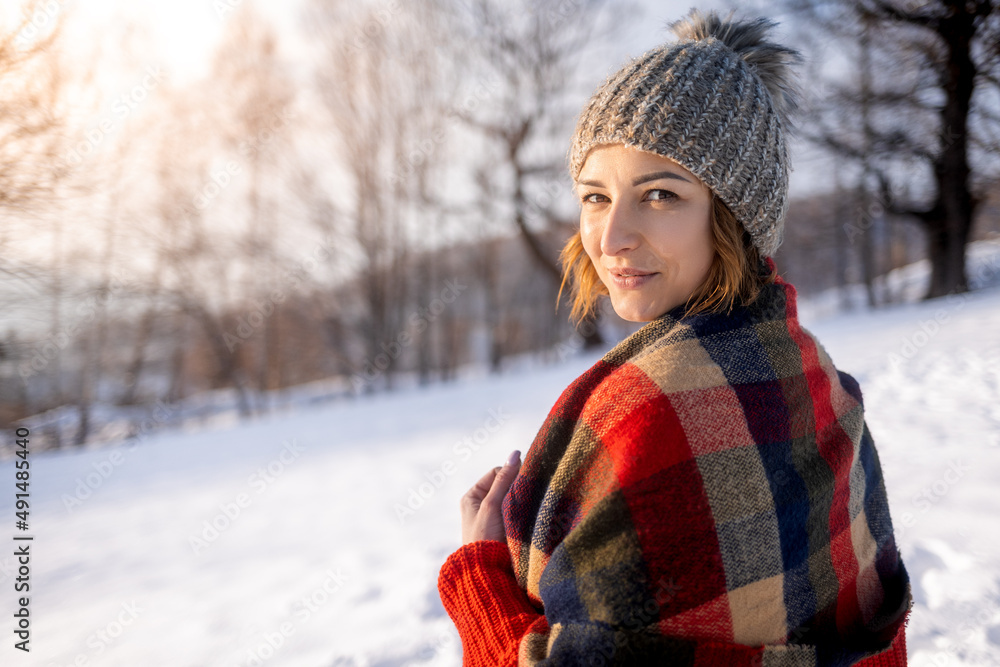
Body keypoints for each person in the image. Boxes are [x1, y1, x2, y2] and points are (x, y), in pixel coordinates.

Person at [438, 8, 913, 666]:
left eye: (659, 194)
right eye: (595, 196)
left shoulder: (646, 414)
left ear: (736, 214)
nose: (610, 237)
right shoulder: (817, 377)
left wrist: (479, 579)